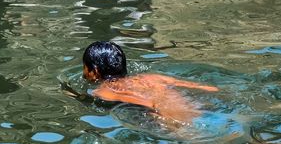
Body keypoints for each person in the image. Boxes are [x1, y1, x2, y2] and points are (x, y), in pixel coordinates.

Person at [82, 41, 218, 126]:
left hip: (174, 123)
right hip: (201, 110)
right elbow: (209, 89)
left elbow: (145, 101)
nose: (84, 73)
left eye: (85, 68)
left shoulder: (104, 91)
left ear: (95, 71)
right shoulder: (151, 77)